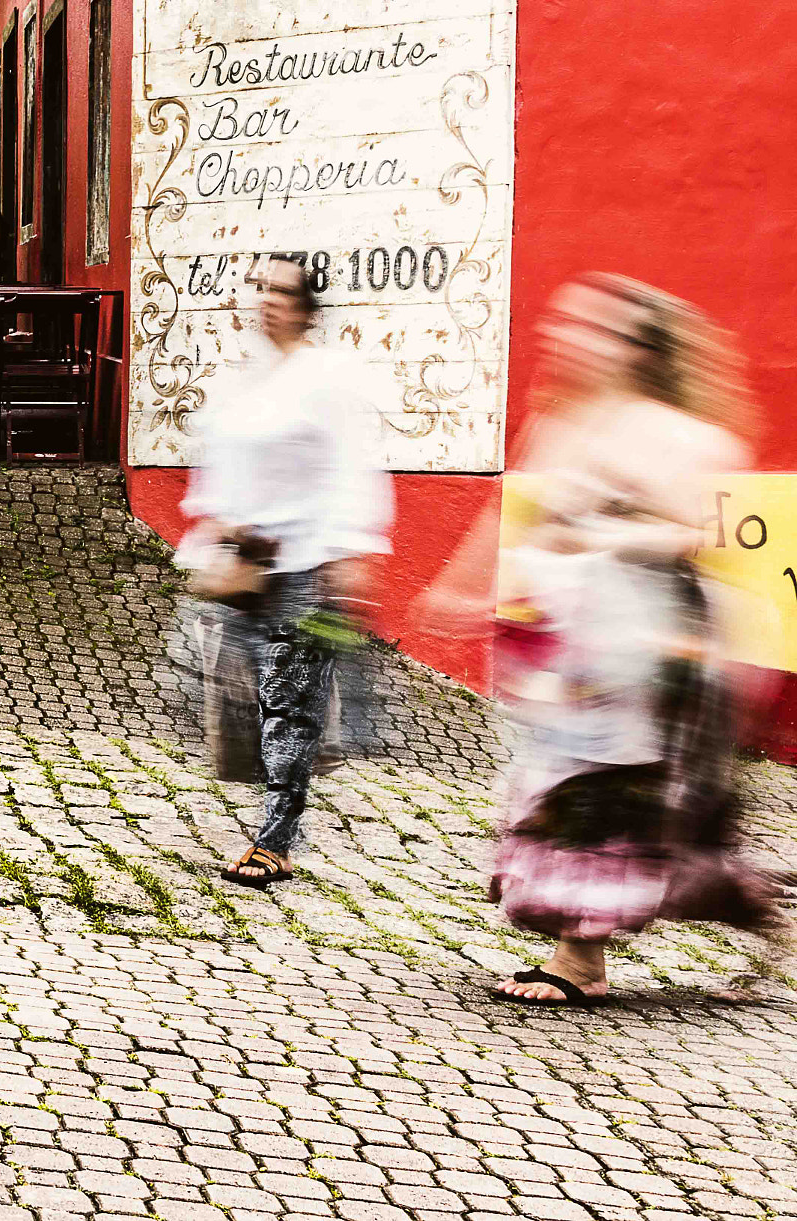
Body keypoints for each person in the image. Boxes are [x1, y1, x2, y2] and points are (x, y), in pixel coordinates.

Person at [417, 275, 790, 1006]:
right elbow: (514, 515)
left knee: (606, 799)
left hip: (651, 650)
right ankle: (746, 905)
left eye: (597, 329)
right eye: (569, 326)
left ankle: (580, 959)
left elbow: (689, 532)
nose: (572, 340)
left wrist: (606, 526)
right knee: (573, 797)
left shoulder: (683, 432)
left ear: (641, 348)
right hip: (575, 650)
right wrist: (460, 589)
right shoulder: (563, 423)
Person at [178, 255, 392, 888]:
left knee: (289, 704)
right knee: (229, 694)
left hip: (305, 563)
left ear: (305, 305)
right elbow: (216, 460)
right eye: (260, 287)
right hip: (244, 566)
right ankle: (302, 773)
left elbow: (353, 467)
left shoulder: (327, 378)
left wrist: (350, 553)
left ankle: (276, 838)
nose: (266, 299)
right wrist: (212, 527)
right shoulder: (244, 377)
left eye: (281, 290)